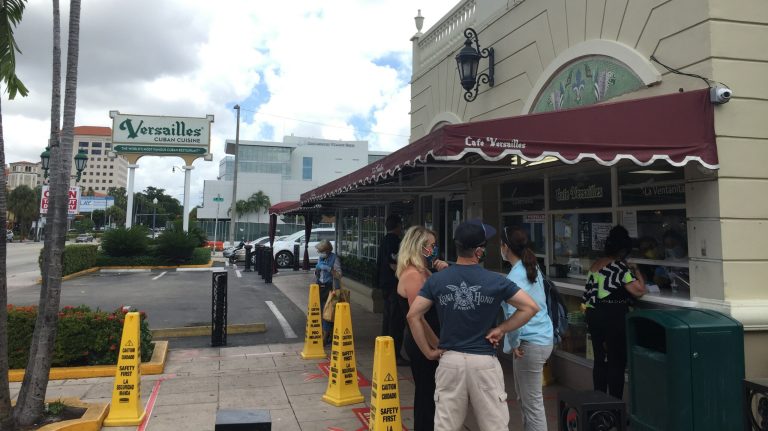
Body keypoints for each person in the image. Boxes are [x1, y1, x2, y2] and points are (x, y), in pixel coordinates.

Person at [407, 219, 539, 431]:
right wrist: (501, 329)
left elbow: (413, 315)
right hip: (484, 363)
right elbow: (530, 307)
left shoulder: (437, 280)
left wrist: (429, 352)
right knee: (494, 426)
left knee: (445, 426)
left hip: (450, 362)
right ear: (479, 252)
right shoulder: (496, 281)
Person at [582, 225, 646, 399]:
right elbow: (639, 291)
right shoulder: (618, 268)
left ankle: (599, 401)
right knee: (616, 361)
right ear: (623, 250)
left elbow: (588, 293)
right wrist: (636, 270)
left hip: (594, 315)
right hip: (613, 316)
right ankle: (614, 404)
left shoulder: (596, 264)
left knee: (600, 360)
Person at [500, 226, 553, 431]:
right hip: (540, 339)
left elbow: (514, 317)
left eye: (501, 245)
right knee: (526, 400)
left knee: (532, 404)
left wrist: (513, 343)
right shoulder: (530, 267)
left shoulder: (515, 277)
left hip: (529, 343)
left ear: (506, 247)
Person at [396, 225, 449, 431]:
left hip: (432, 338)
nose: (434, 249)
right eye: (431, 245)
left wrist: (442, 273)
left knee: (433, 394)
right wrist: (435, 346)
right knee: (426, 394)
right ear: (418, 246)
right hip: (423, 342)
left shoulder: (425, 270)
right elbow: (418, 318)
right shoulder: (413, 275)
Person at [377, 214, 409, 366]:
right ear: (398, 226)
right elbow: (393, 263)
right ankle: (394, 354)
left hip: (384, 284)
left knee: (388, 318)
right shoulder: (394, 241)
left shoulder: (383, 240)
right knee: (396, 321)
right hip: (393, 286)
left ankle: (384, 349)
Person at [315, 239, 342, 345]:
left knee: (328, 312)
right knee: (322, 311)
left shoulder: (334, 259)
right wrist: (317, 269)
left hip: (330, 288)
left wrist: (329, 269)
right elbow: (317, 273)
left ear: (327, 250)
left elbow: (339, 275)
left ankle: (325, 337)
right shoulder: (321, 258)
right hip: (320, 286)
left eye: (321, 251)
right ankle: (327, 334)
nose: (320, 253)